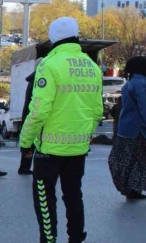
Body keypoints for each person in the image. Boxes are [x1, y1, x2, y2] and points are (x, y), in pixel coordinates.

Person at [20, 17, 102, 243]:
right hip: (78, 148)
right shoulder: (92, 67)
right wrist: (83, 134)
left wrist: (25, 141)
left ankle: (49, 239)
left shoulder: (49, 65)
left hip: (49, 149)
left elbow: (38, 111)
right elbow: (97, 111)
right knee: (74, 195)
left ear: (53, 37)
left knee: (44, 198)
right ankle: (76, 238)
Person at [108, 56, 146, 200]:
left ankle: (130, 189)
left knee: (124, 160)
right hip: (139, 131)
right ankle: (132, 188)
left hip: (126, 129)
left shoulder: (129, 83)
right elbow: (144, 108)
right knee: (140, 161)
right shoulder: (141, 84)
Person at [18, 58, 42, 175]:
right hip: (33, 114)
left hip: (28, 113)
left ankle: (25, 167)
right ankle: (25, 168)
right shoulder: (38, 81)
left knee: (29, 141)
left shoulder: (33, 80)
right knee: (32, 141)